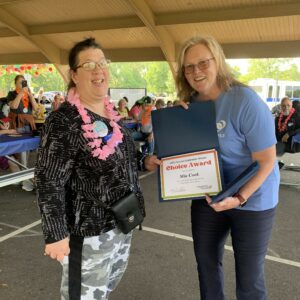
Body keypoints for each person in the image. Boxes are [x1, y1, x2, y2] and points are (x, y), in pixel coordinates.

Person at [35, 37, 158, 300]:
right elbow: (49, 180)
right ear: (74, 75)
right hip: (88, 233)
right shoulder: (64, 120)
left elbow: (120, 157)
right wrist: (55, 234)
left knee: (105, 289)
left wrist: (142, 162)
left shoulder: (111, 114)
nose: (98, 70)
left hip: (122, 222)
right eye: (89, 64)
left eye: (102, 63)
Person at [172, 35, 279, 300]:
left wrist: (240, 197)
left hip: (253, 199)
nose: (196, 71)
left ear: (217, 61)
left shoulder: (245, 101)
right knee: (206, 267)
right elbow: (182, 155)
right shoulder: (190, 106)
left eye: (203, 63)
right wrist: (173, 122)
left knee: (249, 278)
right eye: (189, 67)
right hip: (209, 195)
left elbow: (267, 161)